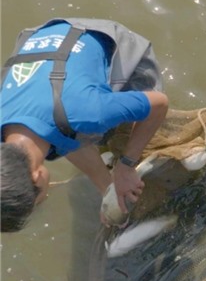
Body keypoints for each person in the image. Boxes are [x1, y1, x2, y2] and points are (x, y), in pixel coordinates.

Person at [1, 18, 169, 232]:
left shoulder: (89, 112)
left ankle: (118, 171)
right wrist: (108, 187)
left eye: (37, 201)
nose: (41, 202)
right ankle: (108, 187)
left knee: (107, 126)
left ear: (37, 176)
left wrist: (126, 165)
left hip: (104, 38)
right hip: (44, 37)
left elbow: (159, 104)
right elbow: (58, 131)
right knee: (58, 130)